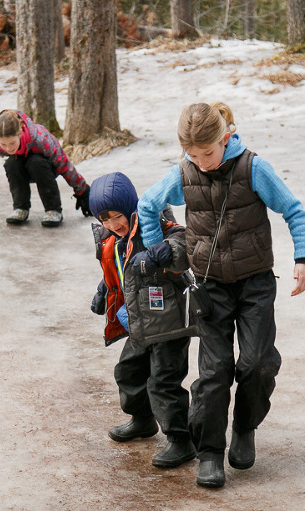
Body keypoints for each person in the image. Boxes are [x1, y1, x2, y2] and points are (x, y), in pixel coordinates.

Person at [137, 102, 305, 488]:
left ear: (226, 137)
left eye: (208, 153)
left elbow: (293, 209)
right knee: (214, 372)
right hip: (209, 288)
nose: (201, 162)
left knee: (256, 364)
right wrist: (160, 253)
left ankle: (245, 427)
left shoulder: (253, 167)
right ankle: (210, 452)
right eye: (193, 155)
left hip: (255, 284)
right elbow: (147, 205)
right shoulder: (183, 172)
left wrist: (303, 258)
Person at [89, 172, 198, 469]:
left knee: (164, 381)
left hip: (168, 322)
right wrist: (104, 290)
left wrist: (168, 250)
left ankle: (180, 439)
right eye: (105, 220)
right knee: (128, 372)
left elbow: (184, 241)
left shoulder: (154, 226)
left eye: (116, 217)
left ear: (129, 206)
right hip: (138, 323)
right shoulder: (114, 240)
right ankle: (142, 419)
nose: (112, 225)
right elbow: (121, 274)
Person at [0, 109, 92, 227]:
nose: (8, 148)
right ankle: (21, 208)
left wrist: (82, 191)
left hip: (46, 169)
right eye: (3, 144)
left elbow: (63, 164)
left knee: (36, 162)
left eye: (12, 143)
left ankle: (53, 210)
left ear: (20, 133)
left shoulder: (39, 138)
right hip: (21, 168)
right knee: (12, 163)